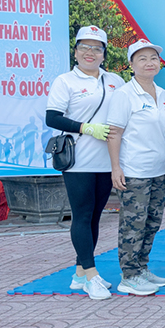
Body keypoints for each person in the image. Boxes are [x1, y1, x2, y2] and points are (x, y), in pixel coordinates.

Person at [45, 26, 126, 300]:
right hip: (79, 161)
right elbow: (52, 118)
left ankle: (80, 274)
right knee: (81, 215)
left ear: (104, 54)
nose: (90, 53)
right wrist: (86, 128)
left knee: (95, 216)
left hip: (107, 160)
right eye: (84, 47)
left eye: (97, 48)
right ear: (76, 51)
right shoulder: (65, 81)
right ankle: (92, 276)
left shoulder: (115, 80)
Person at [106, 39, 165, 296]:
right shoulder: (124, 94)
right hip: (134, 171)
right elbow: (114, 133)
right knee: (132, 224)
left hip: (158, 170)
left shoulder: (163, 94)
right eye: (142, 58)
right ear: (131, 64)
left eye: (153, 58)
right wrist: (116, 167)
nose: (149, 63)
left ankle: (142, 267)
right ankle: (129, 275)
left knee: (152, 222)